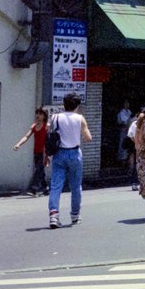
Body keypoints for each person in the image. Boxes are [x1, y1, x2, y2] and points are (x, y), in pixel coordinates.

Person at [47, 92, 92, 229]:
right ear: (77, 105)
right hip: (74, 153)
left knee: (56, 185)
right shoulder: (80, 118)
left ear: (64, 104)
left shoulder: (55, 117)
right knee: (75, 186)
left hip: (59, 154)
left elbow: (50, 132)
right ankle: (75, 215)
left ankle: (54, 215)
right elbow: (88, 137)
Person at [13, 107, 50, 196]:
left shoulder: (47, 126)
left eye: (40, 114)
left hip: (44, 152)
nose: (38, 115)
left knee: (38, 170)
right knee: (40, 170)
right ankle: (46, 188)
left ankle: (34, 188)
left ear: (44, 116)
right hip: (36, 152)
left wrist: (47, 154)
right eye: (37, 113)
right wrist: (18, 144)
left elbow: (49, 140)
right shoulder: (34, 126)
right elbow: (26, 136)